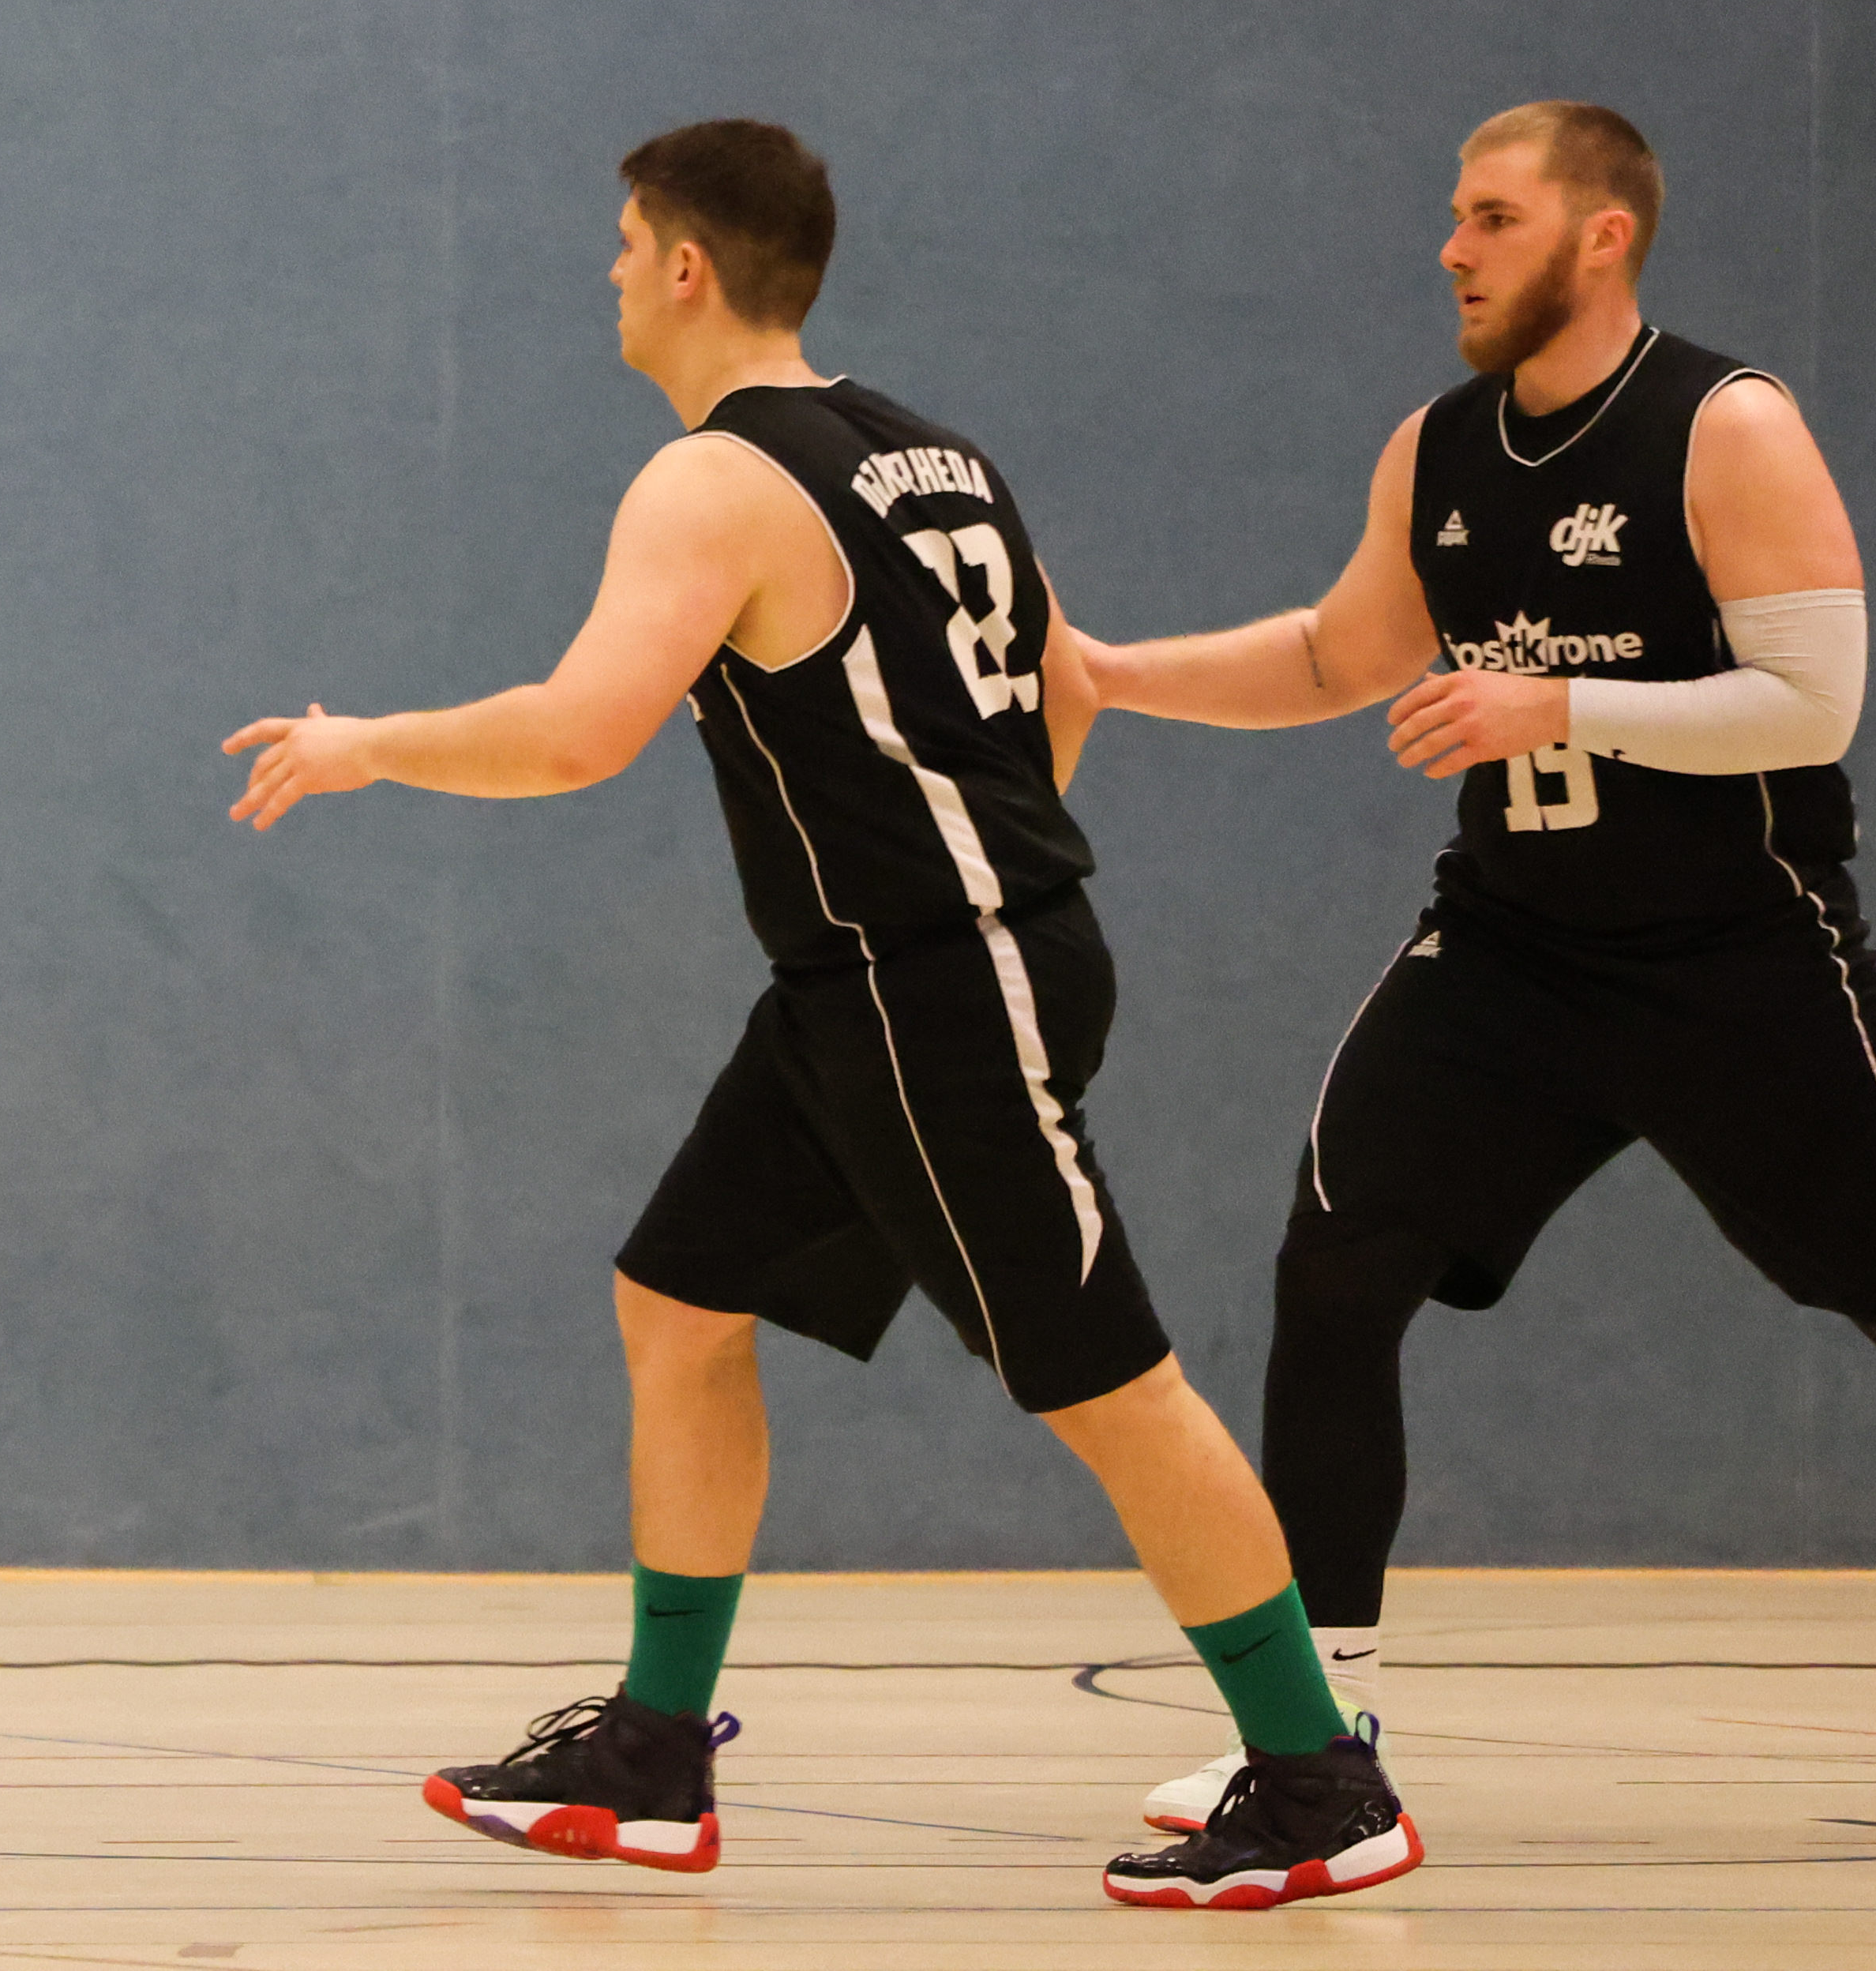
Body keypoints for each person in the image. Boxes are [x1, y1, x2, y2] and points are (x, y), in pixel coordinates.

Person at [223, 119, 1418, 1909]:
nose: (609, 275)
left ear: (685, 264)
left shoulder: (710, 480)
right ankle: (652, 1751)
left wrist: (366, 746)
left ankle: (1320, 1777)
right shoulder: (935, 453)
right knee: (680, 1298)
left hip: (932, 985)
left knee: (1106, 1382)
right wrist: (987, 882)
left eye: (623, 243)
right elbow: (1061, 690)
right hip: (887, 975)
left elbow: (578, 732)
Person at [1071, 102, 1876, 1831]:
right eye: (1454, 215)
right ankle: (1315, 1732)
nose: (1452, 248)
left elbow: (1813, 705)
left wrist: (1558, 702)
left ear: (1601, 233)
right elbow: (1337, 652)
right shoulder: (1435, 449)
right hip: (1511, 955)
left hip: (1738, 966)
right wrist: (1114, 674)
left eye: (1491, 215)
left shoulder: (1725, 425)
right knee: (1336, 1266)